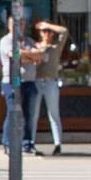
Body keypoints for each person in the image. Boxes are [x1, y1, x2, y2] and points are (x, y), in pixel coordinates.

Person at [0, 15, 40, 155]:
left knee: (29, 114)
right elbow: (14, 56)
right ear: (10, 26)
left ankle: (27, 143)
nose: (20, 27)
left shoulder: (29, 41)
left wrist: (25, 55)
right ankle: (8, 142)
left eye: (22, 24)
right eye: (17, 24)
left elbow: (39, 56)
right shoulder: (6, 40)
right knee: (12, 112)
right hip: (12, 81)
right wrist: (29, 55)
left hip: (29, 81)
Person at [31, 20, 69, 155]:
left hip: (51, 82)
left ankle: (57, 143)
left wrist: (47, 25)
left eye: (49, 32)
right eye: (44, 31)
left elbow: (64, 31)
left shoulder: (55, 48)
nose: (47, 34)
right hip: (37, 81)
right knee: (33, 114)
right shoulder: (35, 47)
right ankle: (31, 141)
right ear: (40, 34)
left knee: (53, 113)